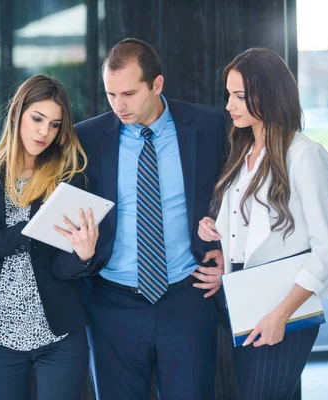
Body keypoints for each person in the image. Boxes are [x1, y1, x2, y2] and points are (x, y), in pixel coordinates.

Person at [75, 38, 229, 399]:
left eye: (128, 93)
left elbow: (241, 197)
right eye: (111, 94)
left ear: (157, 84)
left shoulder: (209, 127)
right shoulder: (87, 138)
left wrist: (228, 254)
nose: (118, 105)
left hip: (188, 298)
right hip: (112, 303)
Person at [198, 47, 328, 399]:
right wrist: (217, 233)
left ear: (268, 94)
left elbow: (327, 254)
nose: (229, 105)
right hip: (244, 304)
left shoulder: (305, 156)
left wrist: (281, 315)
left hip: (285, 310)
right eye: (228, 95)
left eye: (239, 96)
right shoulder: (244, 151)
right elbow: (249, 231)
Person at [0, 74, 98, 400]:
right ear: (17, 114)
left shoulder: (68, 181)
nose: (45, 131)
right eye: (37, 119)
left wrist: (82, 256)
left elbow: (61, 267)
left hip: (59, 333)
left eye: (55, 124)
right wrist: (29, 230)